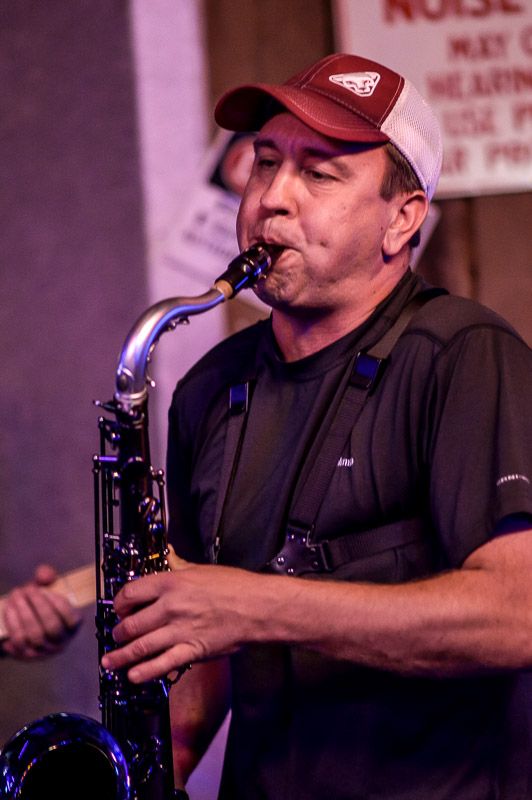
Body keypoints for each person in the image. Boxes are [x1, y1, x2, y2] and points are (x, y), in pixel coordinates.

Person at [4, 52, 532, 799]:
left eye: (320, 174)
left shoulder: (464, 356)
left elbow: (517, 614)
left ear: (402, 219)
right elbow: (205, 645)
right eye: (266, 162)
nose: (272, 199)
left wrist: (250, 605)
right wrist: (154, 767)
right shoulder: (210, 388)